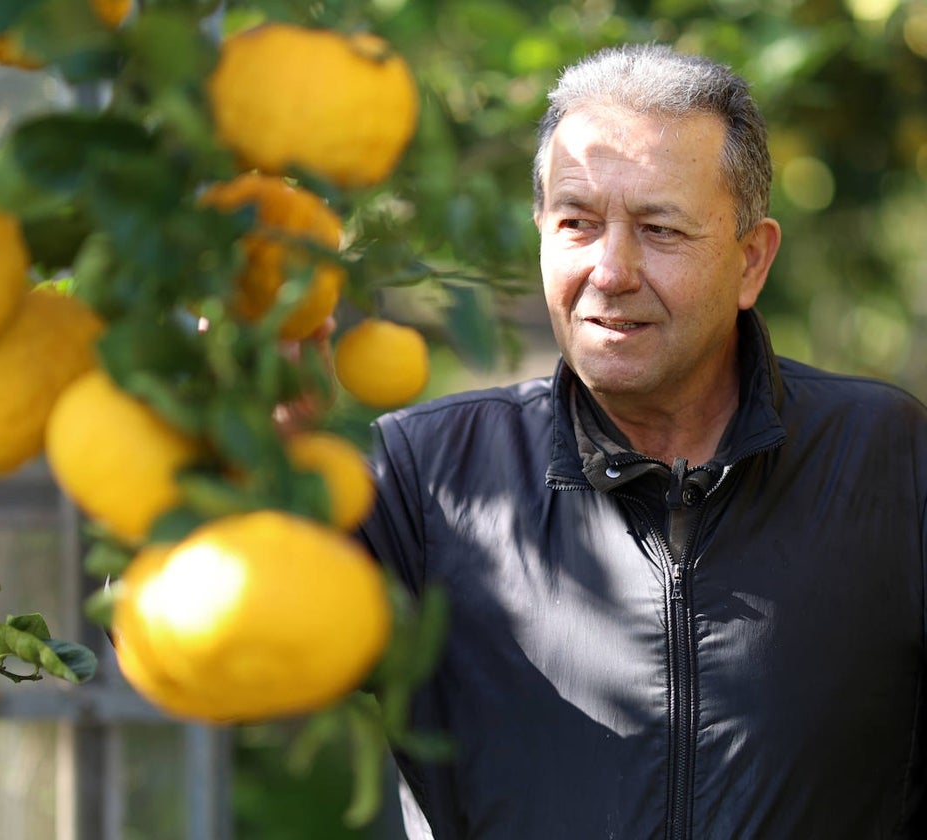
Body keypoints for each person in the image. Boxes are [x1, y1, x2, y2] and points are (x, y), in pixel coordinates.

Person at [359, 43, 927, 839]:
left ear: (751, 261)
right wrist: (245, 441)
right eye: (577, 223)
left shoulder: (890, 460)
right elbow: (194, 633)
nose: (611, 269)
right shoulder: (428, 480)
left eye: (659, 229)